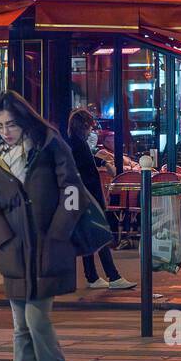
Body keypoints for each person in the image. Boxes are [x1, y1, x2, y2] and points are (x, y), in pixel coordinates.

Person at [0, 90, 83, 361]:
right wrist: (4, 238)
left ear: (25, 122)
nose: (5, 131)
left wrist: (59, 231)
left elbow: (73, 190)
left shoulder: (50, 147)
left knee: (35, 320)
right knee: (20, 327)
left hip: (49, 246)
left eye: (12, 124)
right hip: (14, 250)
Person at [66, 108, 135, 290]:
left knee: (90, 238)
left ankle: (93, 277)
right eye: (90, 126)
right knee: (102, 236)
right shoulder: (78, 145)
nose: (92, 130)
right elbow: (85, 169)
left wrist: (104, 162)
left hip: (83, 198)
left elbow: (88, 161)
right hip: (89, 198)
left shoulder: (76, 143)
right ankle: (113, 277)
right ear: (83, 126)